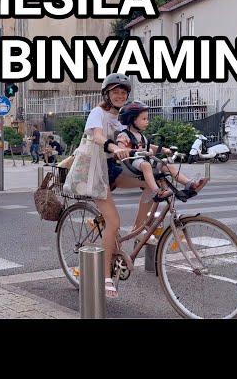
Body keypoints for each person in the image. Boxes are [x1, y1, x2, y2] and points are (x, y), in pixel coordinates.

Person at [85, 73, 209, 299]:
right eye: (116, 92)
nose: (120, 96)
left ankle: (140, 227)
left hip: (115, 170)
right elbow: (97, 136)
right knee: (113, 222)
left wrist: (162, 151)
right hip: (96, 173)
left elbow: (137, 144)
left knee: (153, 182)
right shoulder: (98, 113)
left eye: (123, 92)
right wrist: (113, 147)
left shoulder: (121, 118)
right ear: (106, 94)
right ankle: (104, 278)